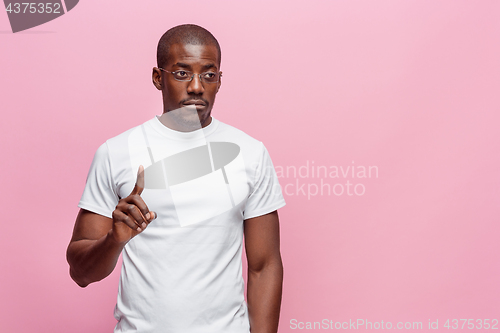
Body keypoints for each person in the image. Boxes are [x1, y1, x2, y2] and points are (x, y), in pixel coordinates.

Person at [66, 24, 286, 333]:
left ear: (220, 81)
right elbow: (80, 272)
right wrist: (114, 240)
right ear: (158, 78)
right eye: (182, 73)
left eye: (209, 75)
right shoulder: (116, 153)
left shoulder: (250, 153)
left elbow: (264, 266)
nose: (197, 87)